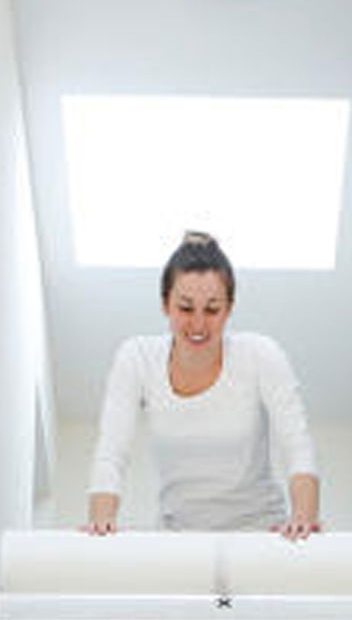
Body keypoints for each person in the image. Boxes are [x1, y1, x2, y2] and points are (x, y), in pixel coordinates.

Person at [85, 231, 322, 540]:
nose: (198, 324)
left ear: (229, 308)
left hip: (260, 533)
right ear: (165, 304)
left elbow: (297, 445)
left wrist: (304, 519)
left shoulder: (260, 355)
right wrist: (101, 524)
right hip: (179, 539)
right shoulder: (137, 358)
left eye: (212, 310)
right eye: (185, 308)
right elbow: (111, 451)